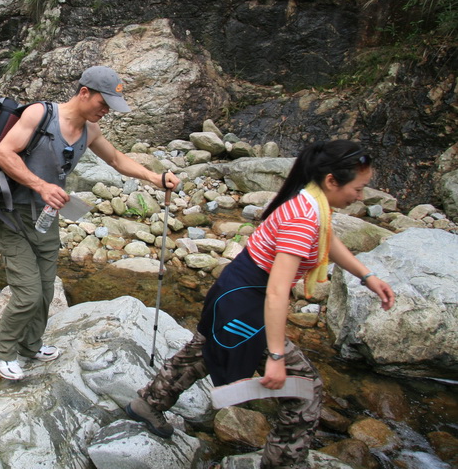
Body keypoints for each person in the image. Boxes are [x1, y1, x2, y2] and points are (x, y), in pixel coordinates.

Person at [126, 140, 396, 469]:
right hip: (247, 302)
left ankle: (149, 403)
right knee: (305, 390)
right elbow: (278, 292)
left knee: (206, 352)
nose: (361, 197)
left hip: (235, 291)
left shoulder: (313, 203)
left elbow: (328, 241)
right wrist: (277, 357)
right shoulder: (304, 216)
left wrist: (367, 276)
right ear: (331, 181)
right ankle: (282, 463)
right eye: (358, 188)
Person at [0, 66, 181, 380]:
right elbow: (3, 154)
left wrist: (153, 177)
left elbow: (116, 159)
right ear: (84, 93)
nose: (106, 111)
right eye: (103, 103)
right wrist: (41, 186)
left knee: (46, 289)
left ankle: (30, 345)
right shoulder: (40, 115)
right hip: (13, 213)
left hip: (47, 217)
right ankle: (2, 351)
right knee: (28, 293)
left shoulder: (90, 130)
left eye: (111, 106)